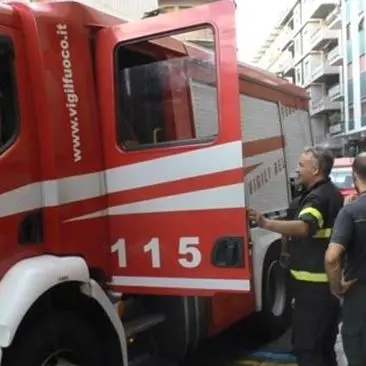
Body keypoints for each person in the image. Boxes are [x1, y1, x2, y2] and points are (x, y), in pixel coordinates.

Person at [248, 146, 344, 366]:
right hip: (322, 292)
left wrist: (265, 223)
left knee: (308, 350)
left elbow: (305, 227)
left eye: (301, 165)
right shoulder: (330, 193)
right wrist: (284, 252)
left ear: (316, 169)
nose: (296, 170)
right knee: (325, 349)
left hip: (314, 293)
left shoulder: (317, 198)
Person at [325, 152, 366, 366]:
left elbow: (332, 258)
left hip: (359, 293)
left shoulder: (350, 212)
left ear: (354, 177)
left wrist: (337, 286)